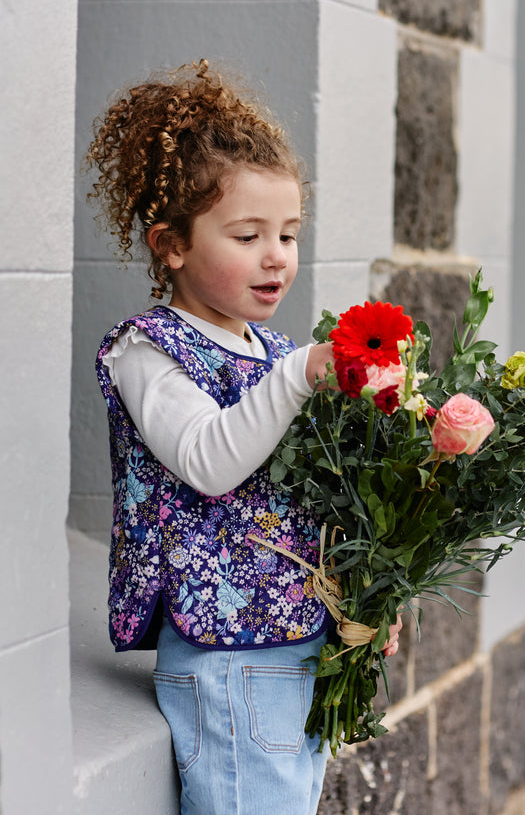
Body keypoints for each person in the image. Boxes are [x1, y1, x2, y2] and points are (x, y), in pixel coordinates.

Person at [87, 60, 400, 815]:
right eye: (248, 234)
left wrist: (366, 596)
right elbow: (207, 461)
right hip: (227, 655)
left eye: (288, 234)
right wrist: (298, 376)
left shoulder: (267, 350)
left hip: (295, 640)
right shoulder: (149, 348)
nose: (276, 256)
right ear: (171, 245)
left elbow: (311, 495)